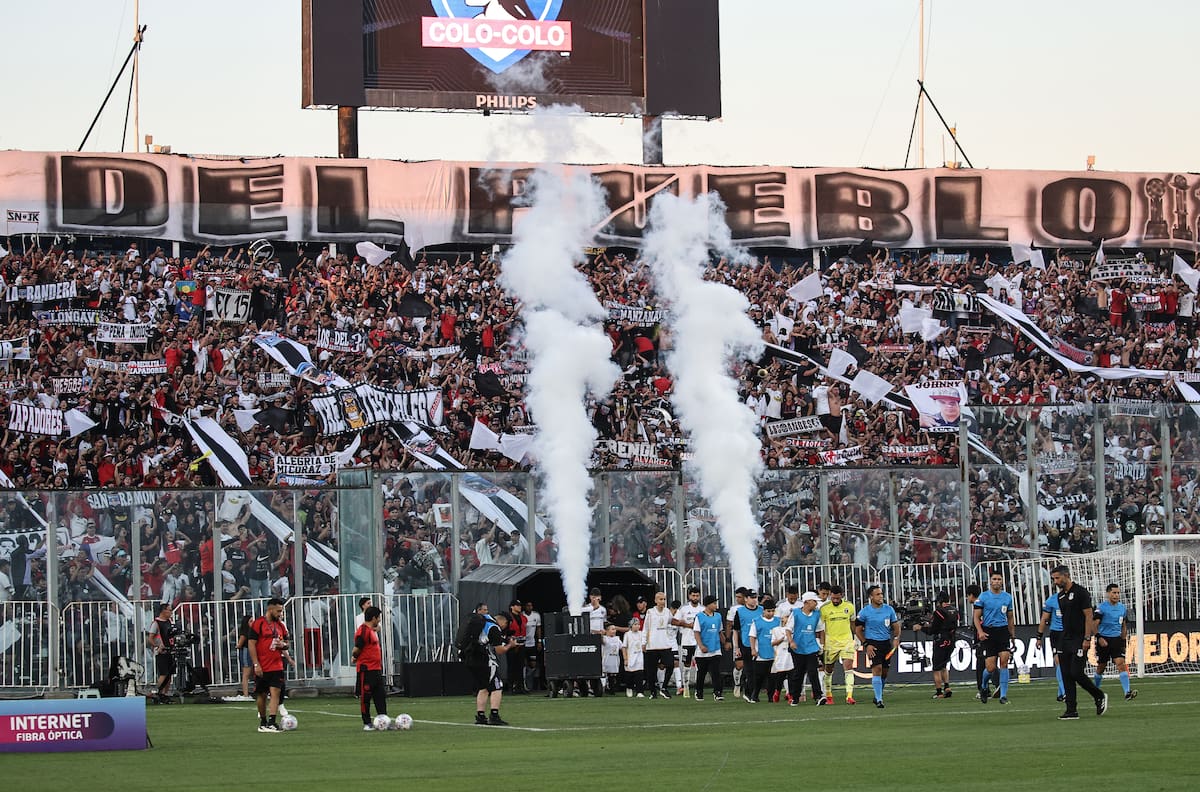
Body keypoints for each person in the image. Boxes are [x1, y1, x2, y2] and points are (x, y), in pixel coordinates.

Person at [1050, 565, 1107, 720]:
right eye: (1053, 579)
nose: (1055, 581)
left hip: (1079, 639)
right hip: (1065, 639)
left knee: (1076, 672)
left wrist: (1087, 638)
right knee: (1066, 674)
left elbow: (1089, 616)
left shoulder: (1081, 592)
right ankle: (1071, 710)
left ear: (1066, 575)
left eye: (1057, 578)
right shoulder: (1060, 596)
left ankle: (1099, 695)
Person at [461, 603, 518, 725]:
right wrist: (510, 645)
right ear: (504, 622)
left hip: (471, 658)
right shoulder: (493, 627)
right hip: (485, 660)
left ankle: (480, 716)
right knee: (497, 686)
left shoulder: (481, 624)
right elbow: (499, 650)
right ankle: (494, 715)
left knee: (484, 688)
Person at [853, 585, 900, 709]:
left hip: (886, 643)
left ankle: (878, 694)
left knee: (884, 671)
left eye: (881, 594)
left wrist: (896, 639)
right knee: (877, 669)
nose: (881, 596)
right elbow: (857, 630)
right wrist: (866, 644)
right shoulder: (865, 611)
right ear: (871, 597)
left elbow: (896, 626)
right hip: (872, 644)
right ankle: (879, 699)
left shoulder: (889, 610)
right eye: (878, 594)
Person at [248, 597, 290, 732]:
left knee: (275, 692)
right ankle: (263, 721)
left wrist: (283, 645)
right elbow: (251, 644)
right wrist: (256, 664)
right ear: (269, 609)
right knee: (261, 695)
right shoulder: (258, 623)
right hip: (262, 665)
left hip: (277, 664)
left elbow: (287, 644)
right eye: (278, 611)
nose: (280, 614)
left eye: (281, 611)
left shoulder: (281, 626)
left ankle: (272, 721)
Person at [973, 571, 1016, 704]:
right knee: (990, 667)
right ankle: (984, 687)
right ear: (990, 582)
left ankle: (1003, 695)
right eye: (994, 579)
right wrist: (980, 631)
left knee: (1004, 662)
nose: (997, 581)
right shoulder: (983, 597)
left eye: (999, 579)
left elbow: (1010, 617)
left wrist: (1012, 635)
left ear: (1002, 582)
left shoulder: (1007, 597)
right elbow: (976, 616)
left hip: (1002, 631)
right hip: (989, 632)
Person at [1093, 583, 1137, 701]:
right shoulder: (1101, 608)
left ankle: (1127, 692)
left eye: (1118, 593)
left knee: (1121, 664)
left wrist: (1123, 638)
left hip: (1116, 640)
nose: (1116, 595)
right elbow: (1094, 625)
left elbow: (1123, 624)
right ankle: (1095, 692)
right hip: (1104, 640)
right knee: (1101, 667)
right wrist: (1099, 637)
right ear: (1108, 594)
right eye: (1114, 593)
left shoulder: (1122, 608)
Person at [819, 585, 857, 704]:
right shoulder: (824, 608)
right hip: (831, 643)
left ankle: (849, 696)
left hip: (846, 641)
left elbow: (852, 623)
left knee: (848, 667)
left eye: (837, 598)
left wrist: (855, 637)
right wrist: (822, 643)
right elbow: (821, 628)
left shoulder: (849, 606)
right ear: (831, 595)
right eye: (833, 598)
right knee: (828, 669)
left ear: (842, 595)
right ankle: (829, 695)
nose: (835, 600)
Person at [353, 605, 388, 730]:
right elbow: (356, 649)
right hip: (366, 670)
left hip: (376, 668)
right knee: (366, 697)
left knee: (380, 696)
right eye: (378, 617)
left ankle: (383, 720)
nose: (379, 620)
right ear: (373, 618)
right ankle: (366, 723)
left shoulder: (371, 630)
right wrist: (355, 657)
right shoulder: (363, 631)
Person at [787, 591, 825, 706]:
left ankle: (818, 696)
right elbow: (788, 629)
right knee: (798, 673)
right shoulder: (796, 613)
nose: (816, 605)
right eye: (814, 602)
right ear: (807, 602)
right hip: (798, 647)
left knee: (813, 672)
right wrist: (791, 641)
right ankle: (795, 697)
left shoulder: (817, 614)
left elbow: (820, 630)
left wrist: (822, 644)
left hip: (811, 647)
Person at [920, 591, 959, 699]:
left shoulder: (939, 612)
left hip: (941, 641)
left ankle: (939, 692)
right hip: (951, 640)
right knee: (944, 665)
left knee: (936, 668)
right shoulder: (955, 610)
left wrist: (921, 628)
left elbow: (933, 630)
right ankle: (947, 687)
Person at [748, 599, 783, 704]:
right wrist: (753, 649)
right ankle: (755, 695)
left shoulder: (778, 621)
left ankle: (771, 697)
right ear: (763, 611)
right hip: (761, 653)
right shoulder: (757, 621)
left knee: (772, 677)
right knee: (759, 676)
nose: (771, 613)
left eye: (773, 611)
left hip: (774, 653)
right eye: (769, 611)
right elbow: (752, 636)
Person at [642, 590, 675, 699]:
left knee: (670, 665)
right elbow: (646, 628)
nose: (663, 601)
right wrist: (644, 643)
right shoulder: (650, 612)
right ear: (656, 601)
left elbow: (672, 621)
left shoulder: (667, 612)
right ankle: (652, 692)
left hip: (665, 644)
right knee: (651, 671)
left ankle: (664, 687)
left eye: (664, 599)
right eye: (661, 599)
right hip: (652, 645)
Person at [732, 589, 763, 703]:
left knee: (758, 671)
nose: (754, 600)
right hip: (746, 644)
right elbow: (735, 630)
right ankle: (749, 693)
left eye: (755, 597)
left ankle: (752, 693)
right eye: (752, 597)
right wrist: (736, 647)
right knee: (749, 670)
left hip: (760, 644)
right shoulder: (739, 612)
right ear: (746, 599)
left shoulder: (761, 610)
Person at [1036, 588, 1066, 702]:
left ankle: (1060, 693)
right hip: (1057, 634)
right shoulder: (1052, 600)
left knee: (1067, 664)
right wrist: (1039, 637)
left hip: (1070, 633)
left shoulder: (1074, 599)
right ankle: (1064, 692)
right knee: (1059, 661)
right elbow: (1044, 619)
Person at [692, 595, 723, 701]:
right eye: (714, 603)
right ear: (708, 604)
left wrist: (725, 642)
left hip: (716, 648)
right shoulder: (699, 617)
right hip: (703, 651)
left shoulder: (718, 616)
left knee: (715, 672)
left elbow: (719, 631)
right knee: (701, 673)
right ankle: (699, 692)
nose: (716, 606)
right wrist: (701, 646)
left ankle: (717, 692)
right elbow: (696, 632)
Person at [673, 585, 702, 696]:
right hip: (687, 641)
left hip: (699, 642)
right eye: (693, 595)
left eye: (697, 595)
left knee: (700, 664)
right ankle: (686, 687)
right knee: (687, 664)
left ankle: (698, 688)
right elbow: (674, 621)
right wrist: (687, 625)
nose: (695, 597)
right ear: (689, 596)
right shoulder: (684, 609)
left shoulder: (702, 609)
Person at [146, 602, 178, 704]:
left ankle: (165, 694)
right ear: (164, 611)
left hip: (170, 650)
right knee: (164, 674)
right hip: (161, 652)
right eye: (169, 610)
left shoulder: (170, 621)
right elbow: (150, 638)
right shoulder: (156, 623)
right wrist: (157, 646)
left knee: (169, 675)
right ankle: (157, 693)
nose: (171, 612)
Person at [723, 587, 747, 698]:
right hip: (738, 638)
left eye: (739, 597)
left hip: (751, 638)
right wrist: (727, 640)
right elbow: (729, 624)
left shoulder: (753, 607)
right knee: (739, 664)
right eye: (736, 597)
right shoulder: (734, 609)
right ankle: (737, 684)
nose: (737, 599)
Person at [506, 600, 528, 694]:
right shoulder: (508, 617)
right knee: (511, 666)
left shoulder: (523, 618)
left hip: (521, 643)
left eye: (520, 605)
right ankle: (511, 687)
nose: (519, 607)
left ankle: (521, 687)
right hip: (511, 644)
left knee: (521, 666)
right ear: (512, 607)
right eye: (517, 605)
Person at [622, 618, 646, 697]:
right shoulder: (627, 634)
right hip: (630, 657)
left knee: (639, 674)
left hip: (639, 657)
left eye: (638, 624)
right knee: (629, 675)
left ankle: (639, 691)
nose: (637, 626)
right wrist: (625, 659)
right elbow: (624, 647)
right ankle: (629, 688)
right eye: (635, 624)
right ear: (631, 626)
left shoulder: (641, 633)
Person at [234, 613, 255, 700]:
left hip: (249, 651)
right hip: (246, 651)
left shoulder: (252, 631)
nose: (253, 623)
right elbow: (239, 645)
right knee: (246, 674)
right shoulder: (245, 633)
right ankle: (245, 694)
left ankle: (248, 693)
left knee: (249, 673)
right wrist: (238, 645)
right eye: (251, 621)